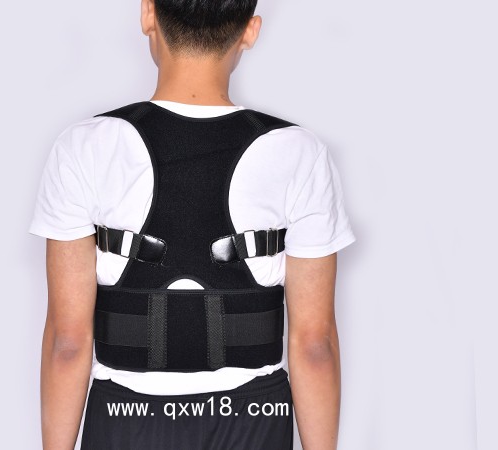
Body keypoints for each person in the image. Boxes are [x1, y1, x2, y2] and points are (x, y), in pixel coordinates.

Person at [28, 0, 356, 449]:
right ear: (250, 31)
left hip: (126, 418)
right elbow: (314, 345)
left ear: (148, 14)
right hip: (253, 419)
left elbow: (67, 342)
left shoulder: (84, 147)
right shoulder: (298, 153)